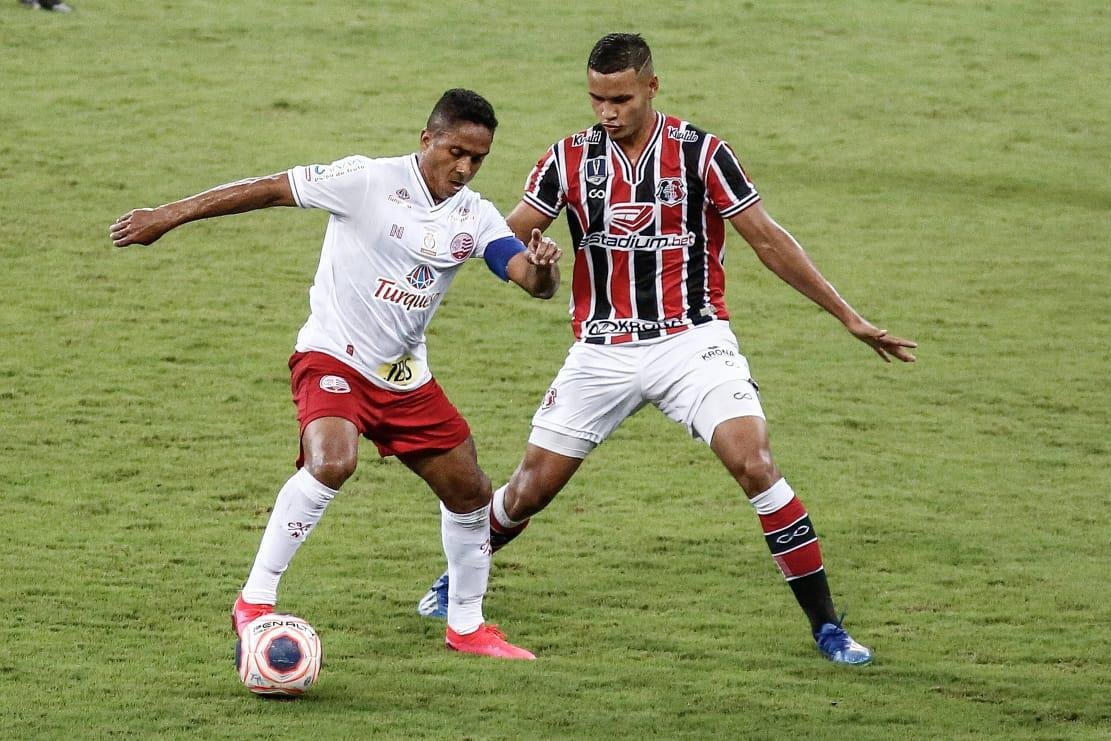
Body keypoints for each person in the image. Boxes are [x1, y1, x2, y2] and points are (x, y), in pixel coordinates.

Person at [417, 35, 917, 665]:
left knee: (754, 461)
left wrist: (851, 317)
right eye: (597, 98)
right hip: (601, 349)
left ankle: (828, 628)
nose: (608, 110)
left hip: (693, 340)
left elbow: (767, 240)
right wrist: (497, 255)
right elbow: (508, 233)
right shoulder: (567, 159)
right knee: (526, 492)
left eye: (621, 97)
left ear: (652, 87)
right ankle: (456, 582)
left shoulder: (702, 152)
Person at [110, 89, 563, 661]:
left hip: (403, 376)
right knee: (332, 461)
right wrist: (166, 216)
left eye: (478, 159)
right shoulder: (366, 181)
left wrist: (543, 271)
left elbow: (522, 274)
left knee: (471, 494)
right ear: (427, 140)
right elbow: (271, 188)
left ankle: (467, 627)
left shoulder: (474, 213)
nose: (465, 168)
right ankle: (254, 599)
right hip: (333, 357)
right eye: (456, 152)